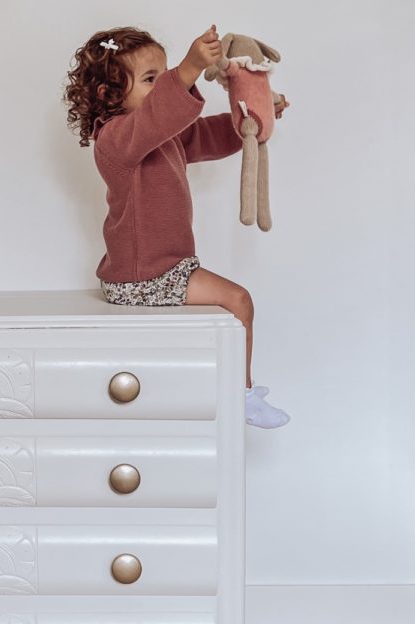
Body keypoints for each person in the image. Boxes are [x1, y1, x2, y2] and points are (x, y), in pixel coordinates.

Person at [63, 25, 290, 429]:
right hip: (144, 274)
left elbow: (202, 134)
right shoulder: (115, 140)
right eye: (152, 79)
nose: (166, 84)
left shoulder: (160, 137)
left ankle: (241, 389)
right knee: (239, 302)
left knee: (237, 305)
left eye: (165, 74)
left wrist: (252, 118)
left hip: (163, 266)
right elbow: (154, 117)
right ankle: (243, 395)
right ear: (108, 94)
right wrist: (187, 69)